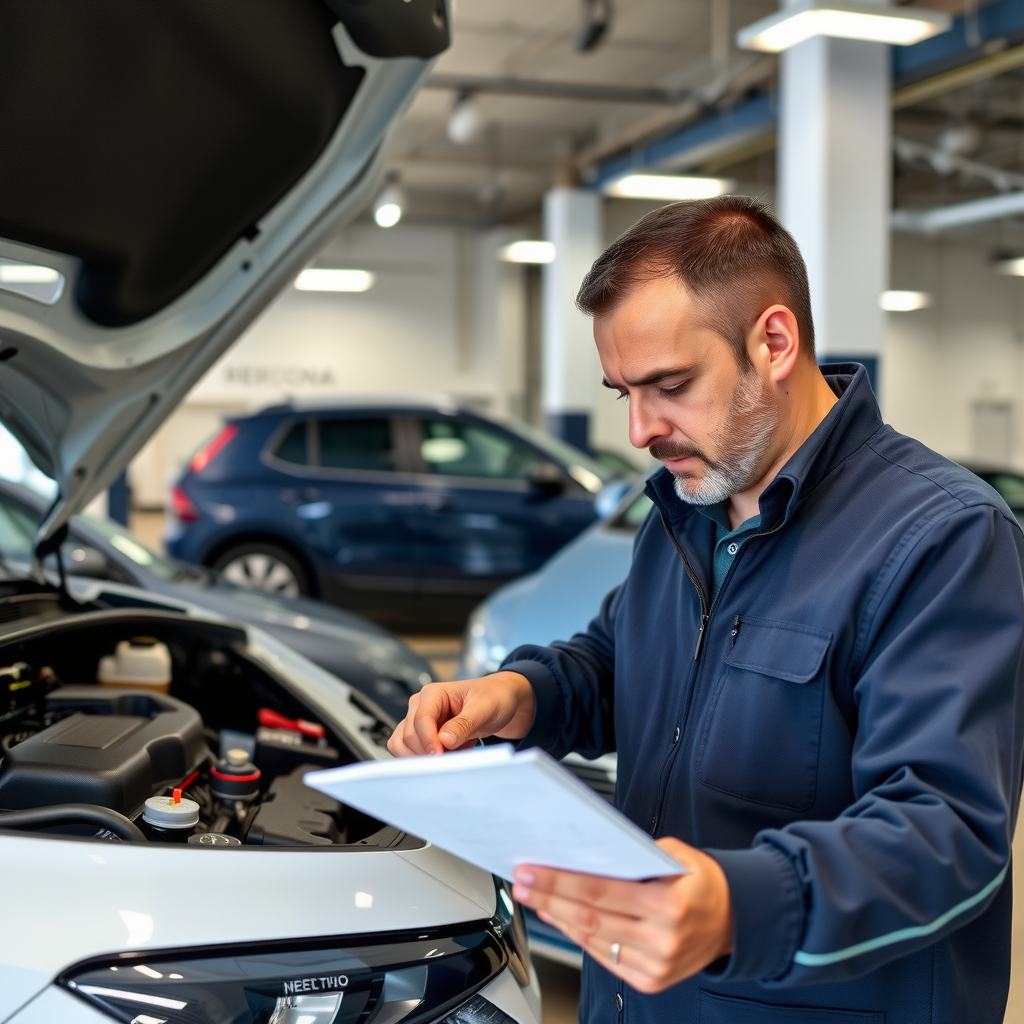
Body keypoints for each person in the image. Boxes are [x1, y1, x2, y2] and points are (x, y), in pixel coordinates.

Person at [388, 196, 1024, 1023]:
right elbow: (620, 659)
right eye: (621, 391)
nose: (640, 428)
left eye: (670, 385)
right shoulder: (687, 507)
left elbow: (948, 838)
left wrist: (735, 903)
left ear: (775, 342)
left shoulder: (944, 539)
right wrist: (520, 696)